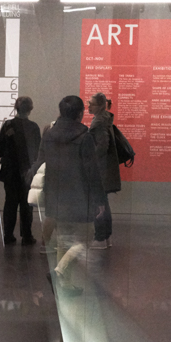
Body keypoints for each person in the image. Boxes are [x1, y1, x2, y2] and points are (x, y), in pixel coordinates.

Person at [31, 96, 105, 291]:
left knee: (63, 239)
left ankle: (64, 285)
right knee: (87, 237)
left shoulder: (49, 134)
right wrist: (99, 199)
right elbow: (92, 171)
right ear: (80, 113)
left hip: (55, 194)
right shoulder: (84, 137)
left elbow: (41, 162)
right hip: (79, 196)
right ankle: (60, 271)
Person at [0, 96, 40, 246]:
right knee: (26, 205)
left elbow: (0, 149)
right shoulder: (33, 127)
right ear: (30, 109)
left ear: (16, 107)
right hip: (26, 172)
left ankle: (8, 235)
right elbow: (37, 152)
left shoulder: (8, 125)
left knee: (10, 203)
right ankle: (27, 236)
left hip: (10, 171)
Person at [87, 92, 120, 250]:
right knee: (103, 203)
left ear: (100, 106)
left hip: (98, 170)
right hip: (102, 169)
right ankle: (106, 237)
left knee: (98, 203)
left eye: (91, 104)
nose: (88, 106)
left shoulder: (99, 121)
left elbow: (102, 145)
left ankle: (100, 237)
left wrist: (89, 158)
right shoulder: (104, 119)